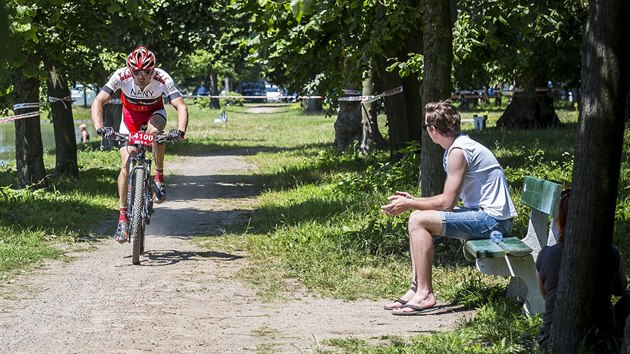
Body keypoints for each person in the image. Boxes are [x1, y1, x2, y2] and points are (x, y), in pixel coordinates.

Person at [381, 100, 517, 315]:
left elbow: (447, 203)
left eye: (426, 127)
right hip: (489, 217)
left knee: (418, 219)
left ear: (433, 129)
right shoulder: (459, 146)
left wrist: (410, 203)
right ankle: (416, 288)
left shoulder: (458, 152)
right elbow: (448, 200)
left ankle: (425, 293)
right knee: (418, 216)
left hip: (494, 223)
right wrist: (415, 201)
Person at [91, 45, 188, 243]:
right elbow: (99, 100)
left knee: (155, 134)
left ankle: (159, 175)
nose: (141, 76)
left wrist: (180, 131)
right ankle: (123, 218)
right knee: (125, 166)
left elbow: (180, 106)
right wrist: (100, 126)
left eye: (146, 72)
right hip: (130, 120)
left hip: (154, 115)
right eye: (137, 72)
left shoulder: (163, 78)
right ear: (130, 70)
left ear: (154, 70)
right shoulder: (121, 76)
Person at [535, 188, 629, 348]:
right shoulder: (610, 253)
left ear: (561, 219)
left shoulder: (546, 255)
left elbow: (546, 294)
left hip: (551, 338)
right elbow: (621, 289)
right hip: (602, 339)